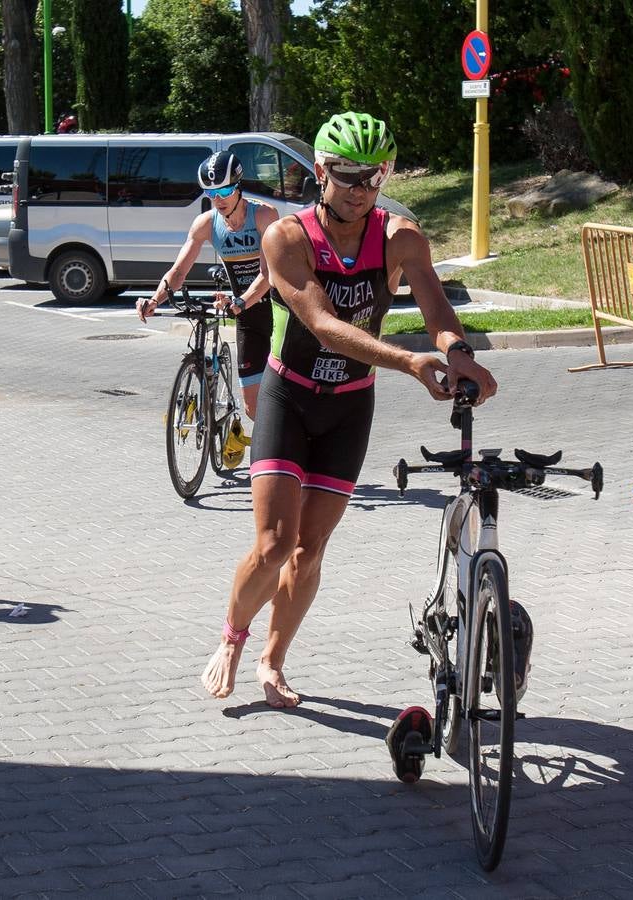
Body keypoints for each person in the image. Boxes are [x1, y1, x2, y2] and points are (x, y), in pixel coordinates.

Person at [200, 111, 498, 707]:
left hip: (349, 408)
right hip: (291, 397)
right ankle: (233, 636)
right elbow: (325, 326)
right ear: (320, 171)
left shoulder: (401, 238)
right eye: (347, 174)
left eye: (374, 176)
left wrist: (458, 351)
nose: (360, 188)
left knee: (310, 551)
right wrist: (411, 363)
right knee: (273, 544)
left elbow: (436, 311)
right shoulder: (285, 238)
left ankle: (273, 660)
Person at [137, 151, 280, 425]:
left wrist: (241, 301)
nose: (218, 200)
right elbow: (179, 271)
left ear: (238, 186)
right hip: (248, 315)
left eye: (224, 190)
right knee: (253, 408)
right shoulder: (206, 224)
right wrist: (156, 299)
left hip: (276, 307)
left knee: (285, 392)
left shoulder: (263, 215)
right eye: (211, 193)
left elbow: (268, 273)